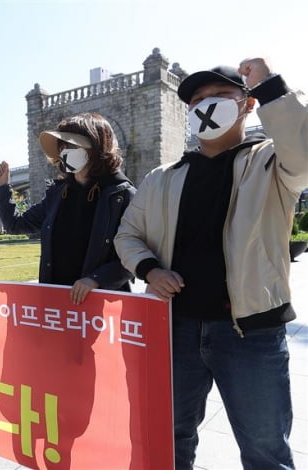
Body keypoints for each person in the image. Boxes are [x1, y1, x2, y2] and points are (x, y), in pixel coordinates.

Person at [114, 58, 307, 469]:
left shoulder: (271, 162)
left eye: (220, 95)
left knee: (265, 451)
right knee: (168, 439)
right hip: (175, 330)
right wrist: (150, 269)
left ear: (247, 104)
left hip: (251, 333)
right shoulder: (162, 177)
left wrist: (271, 87)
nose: (207, 104)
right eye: (197, 99)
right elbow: (127, 235)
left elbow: (303, 154)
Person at [0, 112, 136, 304]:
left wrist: (97, 279)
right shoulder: (58, 194)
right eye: (63, 146)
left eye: (73, 145)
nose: (65, 152)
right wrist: (3, 188)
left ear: (97, 146)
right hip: (56, 301)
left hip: (101, 304)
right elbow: (17, 224)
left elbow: (135, 253)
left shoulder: (122, 195)